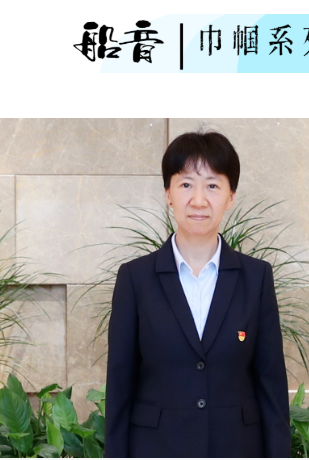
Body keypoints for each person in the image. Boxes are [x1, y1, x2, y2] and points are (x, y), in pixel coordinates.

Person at [104, 130, 291, 458]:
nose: (199, 200)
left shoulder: (256, 278)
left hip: (237, 448)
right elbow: (120, 386)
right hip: (157, 449)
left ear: (231, 196)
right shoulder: (135, 278)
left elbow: (271, 385)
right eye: (186, 184)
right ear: (168, 194)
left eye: (213, 186)